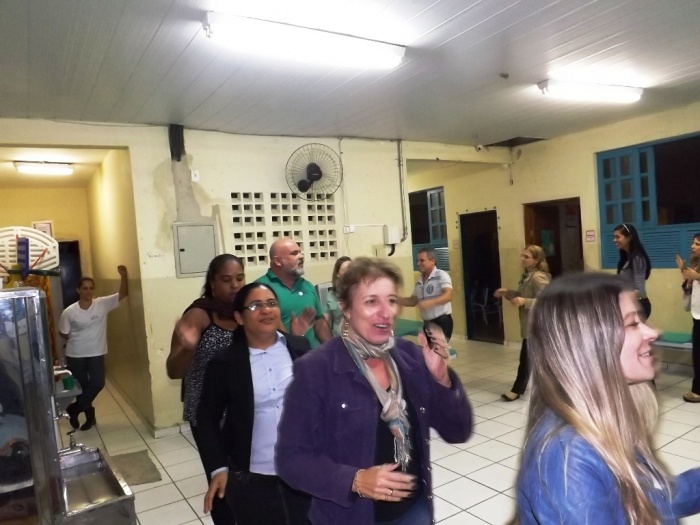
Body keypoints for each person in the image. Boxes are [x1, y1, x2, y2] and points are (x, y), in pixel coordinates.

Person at [276, 257, 472, 525]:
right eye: (371, 302)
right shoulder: (316, 369)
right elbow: (290, 460)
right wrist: (354, 480)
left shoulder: (410, 357)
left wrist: (442, 379)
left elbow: (458, 432)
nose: (386, 312)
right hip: (350, 517)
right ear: (345, 308)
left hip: (414, 511)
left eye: (391, 300)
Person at [517, 272, 700, 524]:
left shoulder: (601, 419)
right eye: (633, 323)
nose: (652, 332)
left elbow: (650, 499)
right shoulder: (569, 456)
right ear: (588, 344)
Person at [196, 283, 311, 525]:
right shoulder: (224, 362)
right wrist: (218, 467)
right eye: (255, 305)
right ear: (239, 317)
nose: (266, 310)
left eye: (271, 303)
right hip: (253, 477)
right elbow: (206, 418)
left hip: (302, 468)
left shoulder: (300, 348)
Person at [166, 253, 245, 525]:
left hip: (241, 409)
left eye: (239, 278)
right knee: (221, 481)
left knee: (245, 479)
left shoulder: (245, 313)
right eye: (226, 279)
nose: (234, 285)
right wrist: (188, 348)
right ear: (212, 283)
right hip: (207, 413)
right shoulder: (199, 314)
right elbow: (173, 370)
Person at [59, 265, 128, 431]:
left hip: (96, 352)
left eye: (91, 288)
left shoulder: (102, 304)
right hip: (76, 354)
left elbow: (123, 294)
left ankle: (75, 409)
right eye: (85, 288)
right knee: (82, 387)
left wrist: (124, 275)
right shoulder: (70, 312)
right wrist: (77, 339)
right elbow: (63, 332)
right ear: (78, 290)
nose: (88, 291)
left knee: (97, 382)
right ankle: (90, 418)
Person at [495, 245, 550, 402]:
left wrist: (524, 301)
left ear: (536, 260)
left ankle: (517, 390)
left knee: (526, 359)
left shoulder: (538, 277)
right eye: (522, 256)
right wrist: (507, 293)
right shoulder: (528, 276)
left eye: (527, 257)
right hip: (530, 324)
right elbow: (522, 295)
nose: (522, 259)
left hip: (538, 325)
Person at [256, 237, 331, 347]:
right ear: (278, 261)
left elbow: (320, 323)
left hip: (314, 355)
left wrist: (333, 351)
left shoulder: (307, 286)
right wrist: (295, 338)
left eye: (300, 252)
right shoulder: (260, 289)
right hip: (284, 355)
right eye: (294, 253)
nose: (301, 256)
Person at [398, 248, 454, 340]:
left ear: (432, 261)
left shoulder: (441, 275)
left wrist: (430, 302)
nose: (418, 263)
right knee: (427, 349)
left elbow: (448, 295)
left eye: (422, 260)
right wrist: (394, 299)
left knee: (437, 348)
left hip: (441, 322)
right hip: (427, 323)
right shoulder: (419, 281)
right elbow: (412, 301)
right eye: (417, 261)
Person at [614, 223, 652, 319]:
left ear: (629, 238)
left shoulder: (637, 258)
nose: (615, 240)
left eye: (618, 237)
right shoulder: (626, 258)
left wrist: (622, 299)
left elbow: (640, 290)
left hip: (638, 305)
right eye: (614, 237)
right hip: (628, 304)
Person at [679, 233, 700, 403]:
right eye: (693, 243)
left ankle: (697, 391)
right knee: (698, 353)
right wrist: (684, 272)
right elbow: (691, 286)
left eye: (697, 244)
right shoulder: (696, 263)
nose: (693, 246)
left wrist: (697, 277)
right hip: (697, 314)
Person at [325, 256, 351, 336]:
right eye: (345, 270)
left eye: (350, 269)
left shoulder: (359, 292)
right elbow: (325, 320)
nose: (348, 272)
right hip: (338, 338)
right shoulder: (331, 295)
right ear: (337, 274)